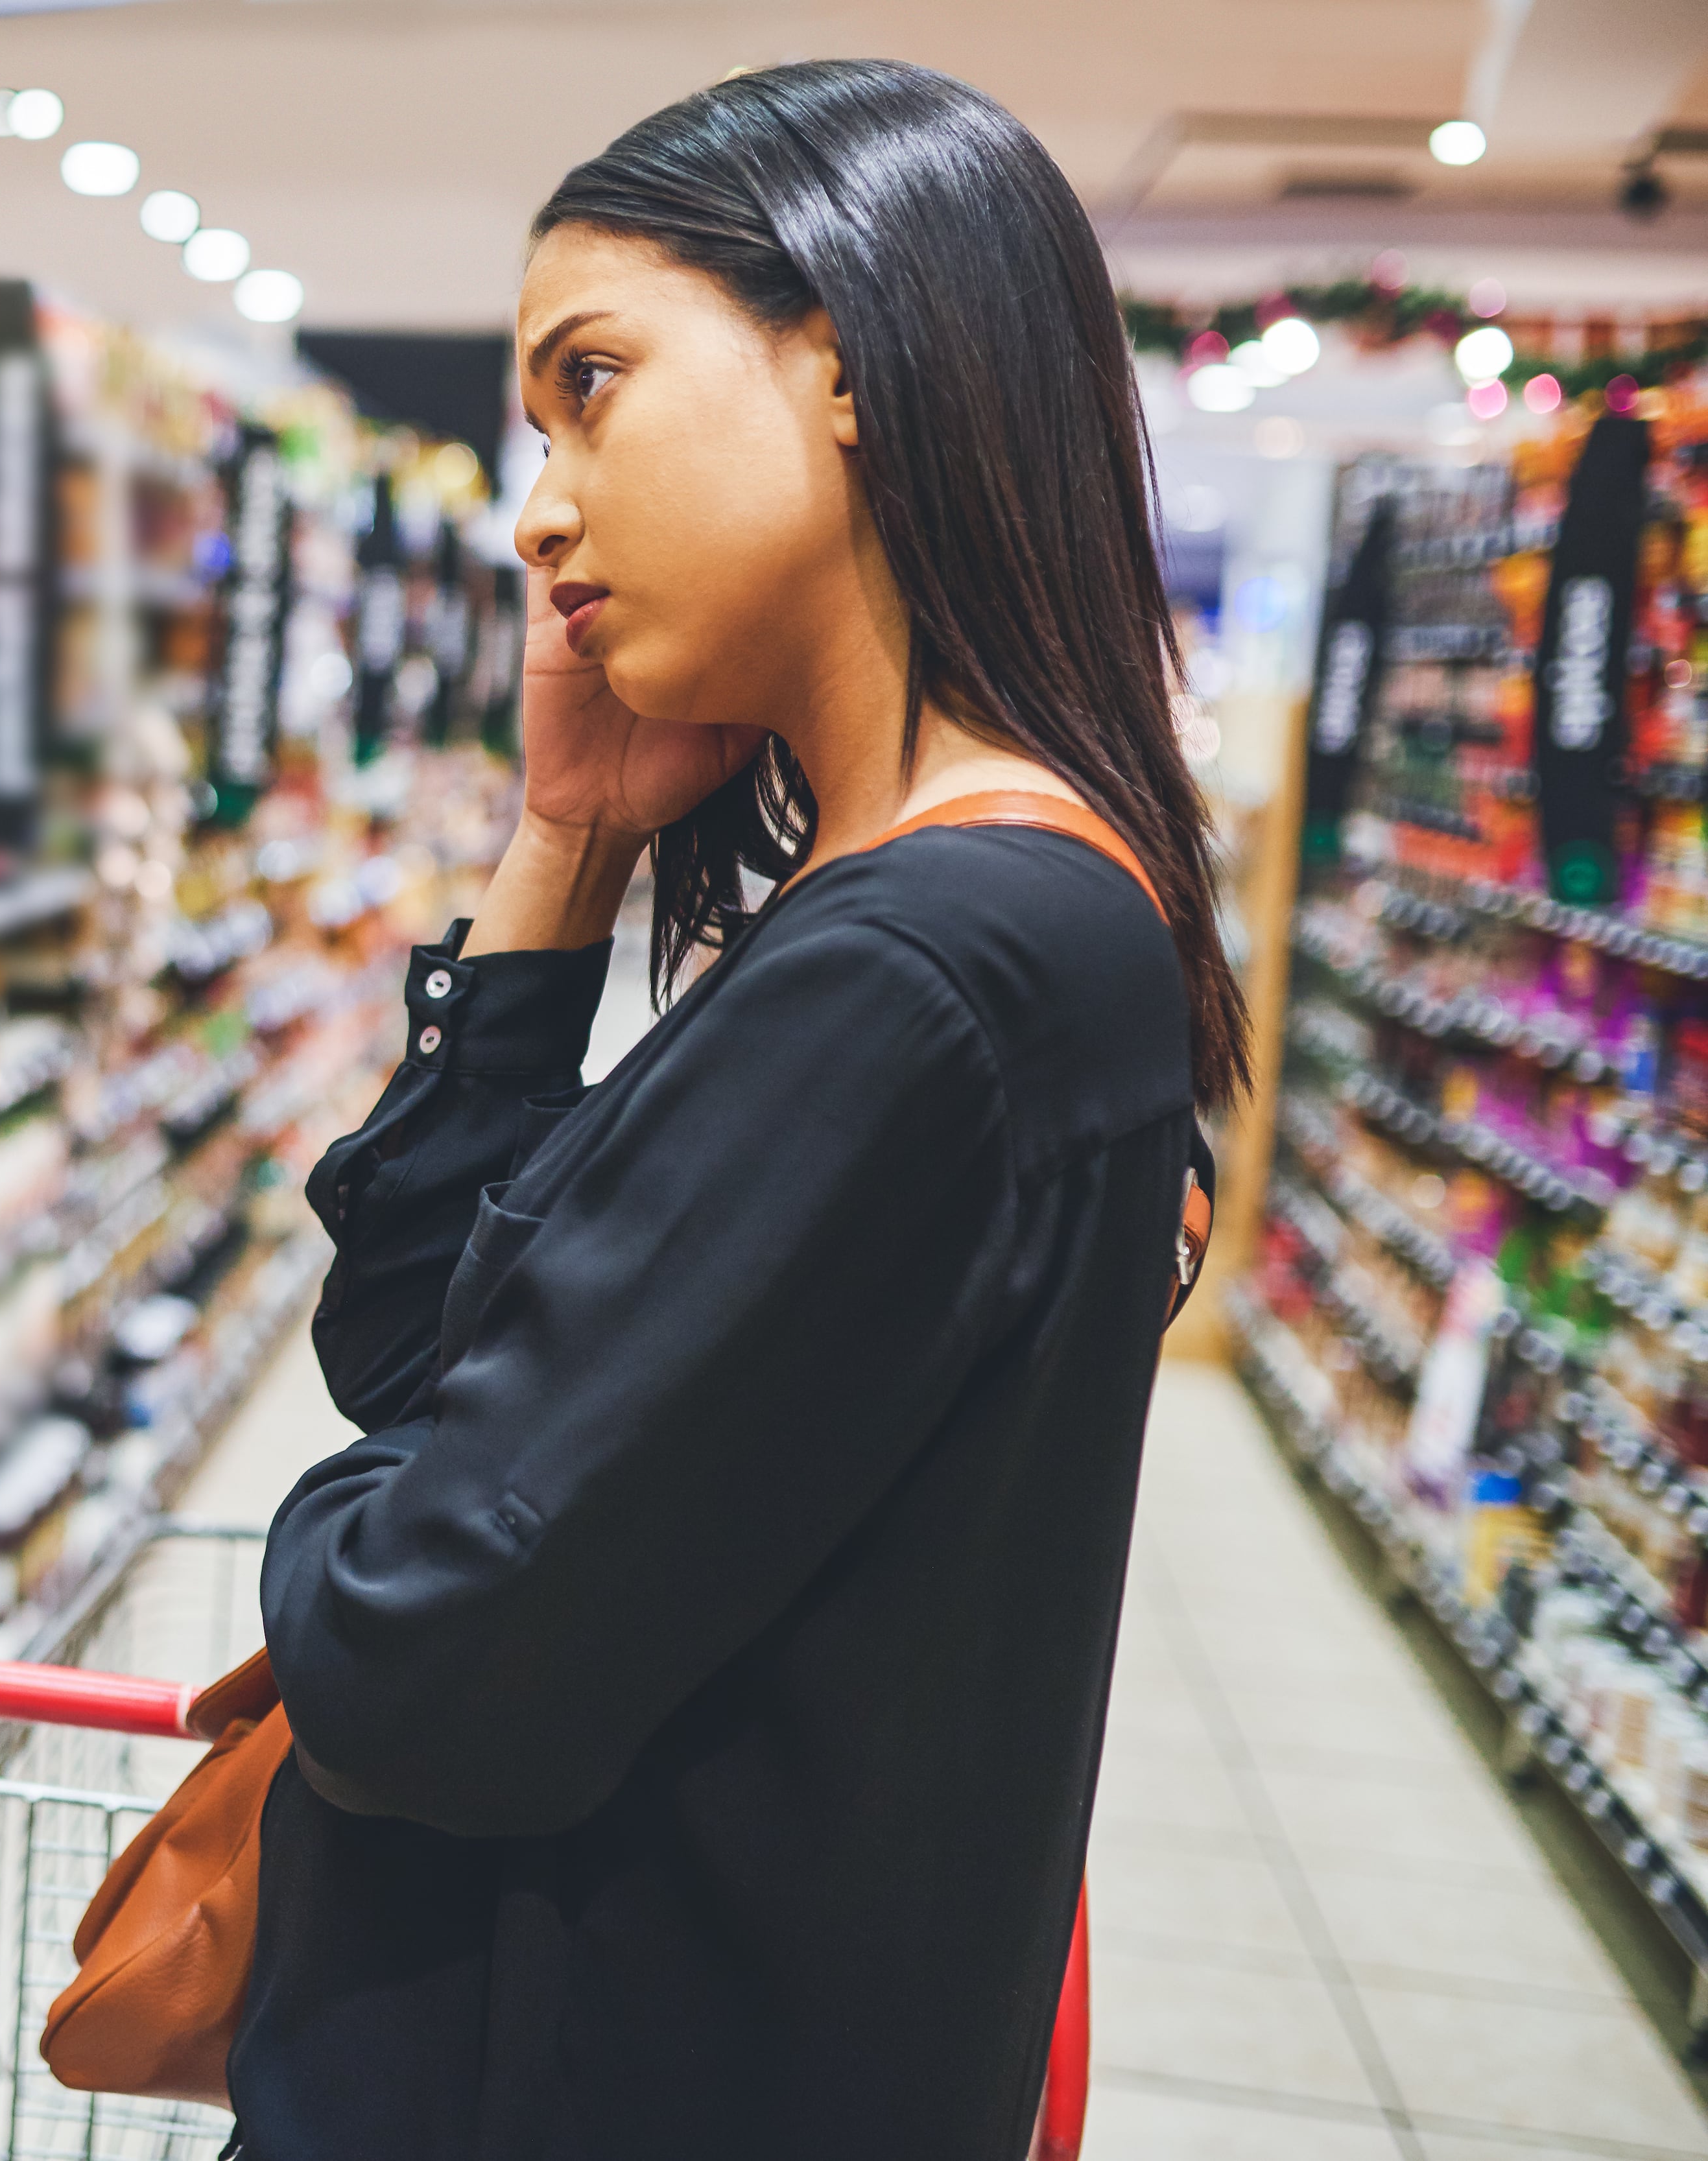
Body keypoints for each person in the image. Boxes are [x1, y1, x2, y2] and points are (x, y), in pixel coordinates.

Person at [236, 58, 1247, 2160]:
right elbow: (412, 1348)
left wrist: (336, 1540)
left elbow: (418, 1665)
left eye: (589, 385)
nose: (538, 508)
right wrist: (567, 847)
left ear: (856, 353)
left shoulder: (924, 971)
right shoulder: (970, 914)